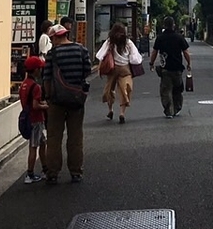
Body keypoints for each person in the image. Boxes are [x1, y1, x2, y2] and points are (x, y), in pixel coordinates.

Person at [43, 23, 91, 182]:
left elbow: (47, 78)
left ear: (56, 37)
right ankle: (76, 172)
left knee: (54, 137)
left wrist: (48, 96)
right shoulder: (81, 50)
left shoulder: (52, 54)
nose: (52, 42)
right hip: (76, 99)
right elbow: (87, 71)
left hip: (56, 100)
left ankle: (53, 173)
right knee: (75, 136)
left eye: (52, 39)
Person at [96, 22, 141, 124]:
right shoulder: (128, 42)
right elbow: (135, 58)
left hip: (112, 68)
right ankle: (122, 113)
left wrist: (99, 68)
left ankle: (110, 110)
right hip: (125, 69)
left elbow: (101, 55)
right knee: (125, 89)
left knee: (109, 89)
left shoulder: (109, 41)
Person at [150, 16, 191, 119]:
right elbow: (186, 52)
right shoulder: (179, 37)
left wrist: (151, 63)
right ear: (173, 25)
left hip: (165, 69)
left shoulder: (160, 38)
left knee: (166, 90)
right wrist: (189, 63)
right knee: (177, 89)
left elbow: (154, 52)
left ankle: (169, 111)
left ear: (164, 25)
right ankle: (177, 108)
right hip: (177, 68)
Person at [19, 56, 48, 183]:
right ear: (35, 70)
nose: (41, 71)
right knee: (33, 147)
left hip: (28, 118)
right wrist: (46, 106)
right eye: (39, 68)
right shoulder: (36, 87)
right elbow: (36, 106)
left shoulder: (24, 84)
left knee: (42, 143)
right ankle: (29, 174)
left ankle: (45, 169)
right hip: (36, 120)